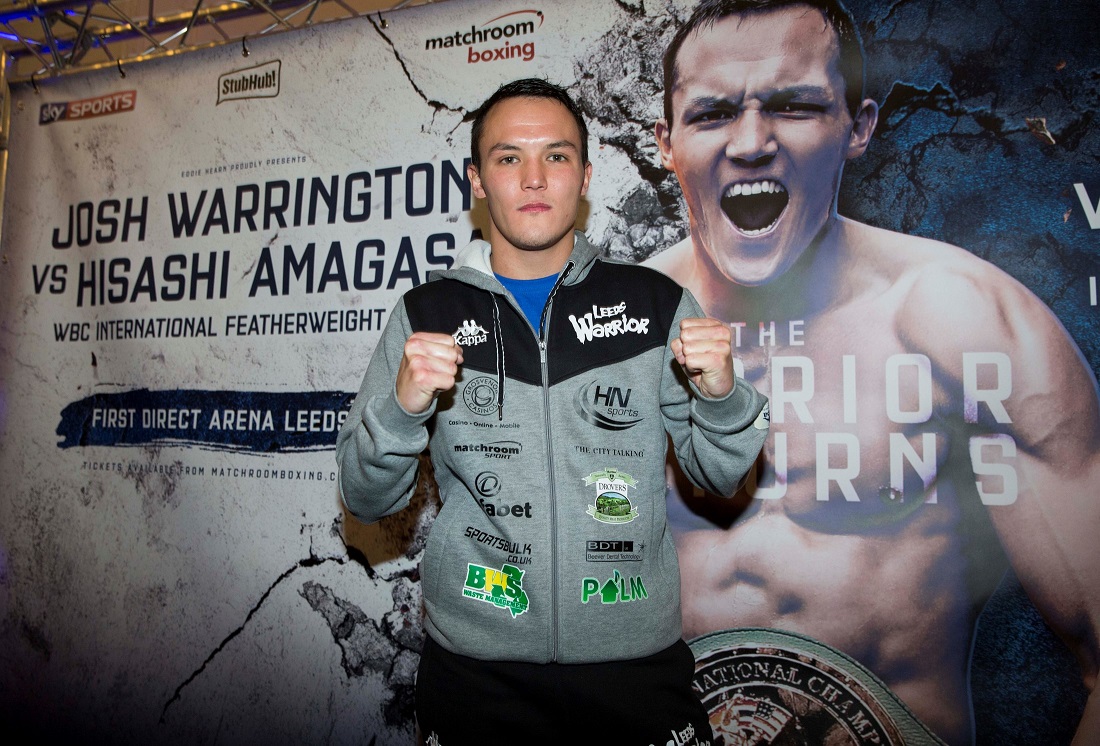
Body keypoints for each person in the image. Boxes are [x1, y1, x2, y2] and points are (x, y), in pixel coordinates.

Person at [644, 1, 1100, 744]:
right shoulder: (606, 342)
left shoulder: (963, 321)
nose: (752, 143)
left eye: (794, 107)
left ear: (859, 126)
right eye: (713, 114)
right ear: (667, 142)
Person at [335, 77, 769, 745]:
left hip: (635, 674)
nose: (534, 177)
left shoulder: (654, 304)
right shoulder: (427, 315)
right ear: (478, 180)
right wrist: (401, 409)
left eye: (557, 156)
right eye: (509, 158)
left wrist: (721, 397)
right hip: (477, 679)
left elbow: (719, 477)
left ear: (586, 176)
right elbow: (365, 501)